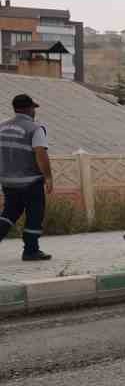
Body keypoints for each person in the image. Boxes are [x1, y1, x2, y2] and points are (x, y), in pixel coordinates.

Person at [0, 93, 53, 261]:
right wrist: (48, 177)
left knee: (9, 213)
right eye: (33, 108)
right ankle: (31, 250)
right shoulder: (35, 129)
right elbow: (40, 154)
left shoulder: (1, 127)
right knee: (34, 214)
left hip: (8, 181)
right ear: (30, 109)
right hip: (30, 182)